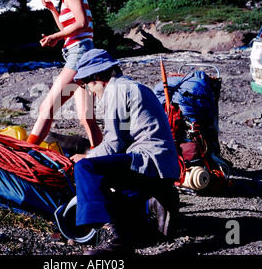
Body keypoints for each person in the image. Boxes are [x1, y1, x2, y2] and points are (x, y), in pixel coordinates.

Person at [70, 49, 181, 255]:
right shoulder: (133, 87)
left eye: (87, 85)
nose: (89, 91)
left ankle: (114, 239)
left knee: (86, 169)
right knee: (114, 187)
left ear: (96, 78)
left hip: (148, 162)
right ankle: (152, 206)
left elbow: (113, 144)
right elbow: (122, 141)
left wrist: (86, 157)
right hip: (163, 167)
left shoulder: (117, 90)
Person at [26, 0, 102, 148]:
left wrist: (54, 36)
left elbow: (82, 23)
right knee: (87, 117)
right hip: (81, 53)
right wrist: (53, 9)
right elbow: (69, 28)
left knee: (46, 108)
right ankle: (100, 155)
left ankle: (26, 152)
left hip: (79, 56)